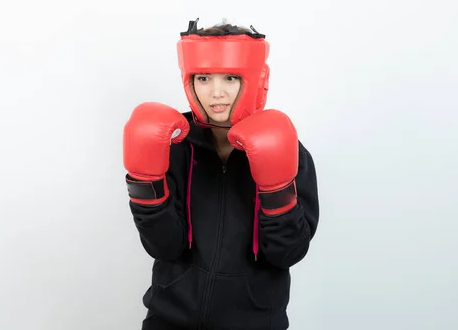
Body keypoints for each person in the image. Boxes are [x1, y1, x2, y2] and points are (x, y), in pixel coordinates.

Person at [122, 18, 320, 330]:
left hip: (254, 322)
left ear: (255, 79)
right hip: (169, 319)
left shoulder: (287, 149)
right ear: (189, 81)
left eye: (230, 78)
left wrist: (275, 189)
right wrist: (145, 185)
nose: (216, 93)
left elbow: (288, 253)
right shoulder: (172, 144)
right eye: (203, 78)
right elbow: (163, 248)